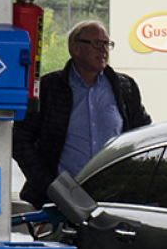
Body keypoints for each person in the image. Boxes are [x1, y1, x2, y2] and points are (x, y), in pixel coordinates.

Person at [13, 19, 151, 209]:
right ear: (75, 48)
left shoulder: (124, 88)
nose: (104, 49)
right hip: (58, 201)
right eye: (96, 43)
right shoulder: (49, 88)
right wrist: (50, 186)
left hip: (112, 198)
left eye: (107, 44)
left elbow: (143, 137)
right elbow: (20, 139)